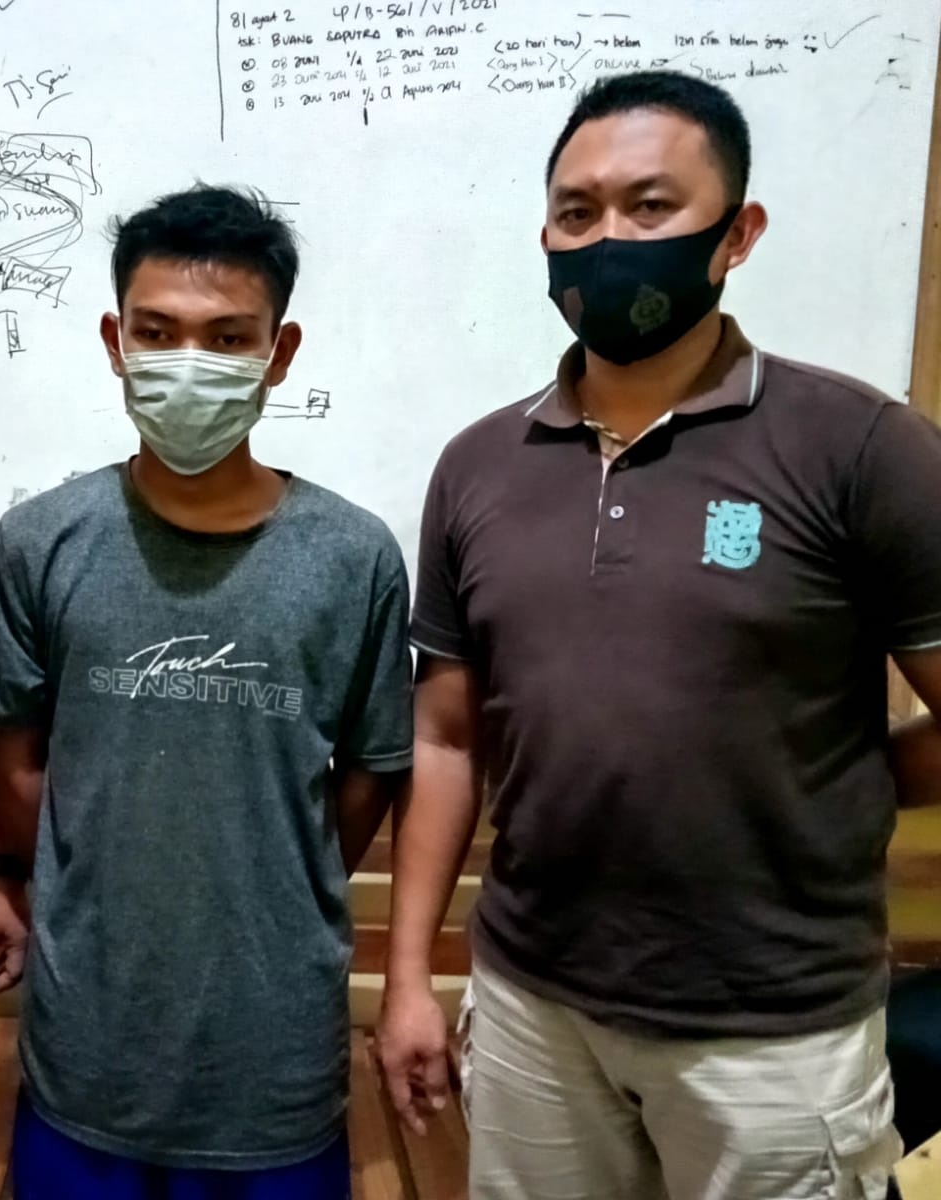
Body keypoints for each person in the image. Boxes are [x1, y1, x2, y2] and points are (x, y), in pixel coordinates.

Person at [376, 69, 941, 1200]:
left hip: (774, 1035)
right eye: (576, 213)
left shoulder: (862, 447)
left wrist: (849, 779)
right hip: (532, 1007)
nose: (608, 240)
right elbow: (445, 738)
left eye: (650, 207)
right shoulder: (478, 466)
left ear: (737, 234)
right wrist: (405, 979)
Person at [0, 185, 413, 1198]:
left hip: (274, 1055)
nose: (189, 363)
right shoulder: (41, 542)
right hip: (88, 1045)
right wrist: (93, 876)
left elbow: (371, 771)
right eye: (157, 333)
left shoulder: (355, 557)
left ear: (278, 353)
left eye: (227, 337)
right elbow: (10, 754)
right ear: (114, 341)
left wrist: (276, 881)